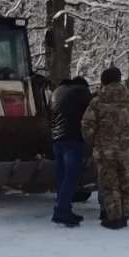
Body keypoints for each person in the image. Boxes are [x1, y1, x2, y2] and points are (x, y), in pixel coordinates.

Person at [82, 67, 129, 230]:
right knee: (126, 183)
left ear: (104, 81)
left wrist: (93, 142)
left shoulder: (98, 100)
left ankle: (114, 218)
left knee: (110, 185)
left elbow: (87, 125)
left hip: (105, 152)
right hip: (127, 151)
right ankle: (125, 214)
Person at [50, 75, 92, 226]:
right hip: (72, 139)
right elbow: (91, 113)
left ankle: (64, 209)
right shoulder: (82, 92)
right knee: (71, 177)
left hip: (57, 140)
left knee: (62, 177)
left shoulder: (57, 92)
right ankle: (62, 212)